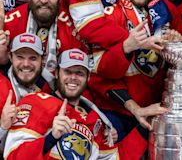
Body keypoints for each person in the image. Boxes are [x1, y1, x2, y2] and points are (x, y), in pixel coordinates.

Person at [86, 0, 182, 141]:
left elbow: (178, 58)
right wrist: (126, 47)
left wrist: (180, 41)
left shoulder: (168, 10)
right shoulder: (109, 12)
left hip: (154, 109)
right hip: (115, 109)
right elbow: (98, 72)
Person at [3, 49, 149, 159]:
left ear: (88, 77)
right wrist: (51, 138)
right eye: (68, 71)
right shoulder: (35, 102)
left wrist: (144, 127)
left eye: (79, 73)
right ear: (57, 73)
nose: (73, 78)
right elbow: (13, 155)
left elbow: (114, 157)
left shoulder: (94, 119)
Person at [0, 0, 75, 86]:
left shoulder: (72, 29)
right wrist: (3, 60)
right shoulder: (10, 22)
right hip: (13, 86)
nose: (44, 0)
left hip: (57, 92)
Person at [0, 33, 52, 150]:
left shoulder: (51, 85)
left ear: (42, 60)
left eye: (33, 58)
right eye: (20, 57)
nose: (26, 64)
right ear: (10, 57)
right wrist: (3, 127)